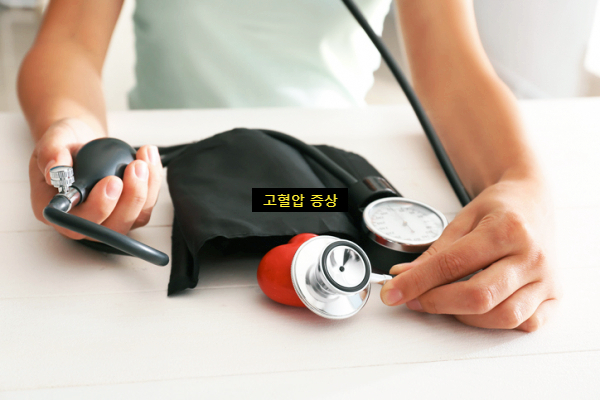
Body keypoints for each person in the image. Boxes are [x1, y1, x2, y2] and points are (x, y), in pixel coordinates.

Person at [18, 0, 560, 332]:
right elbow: (69, 39)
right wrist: (71, 127)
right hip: (168, 176)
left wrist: (522, 183)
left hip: (326, 179)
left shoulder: (329, 200)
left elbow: (453, 67)